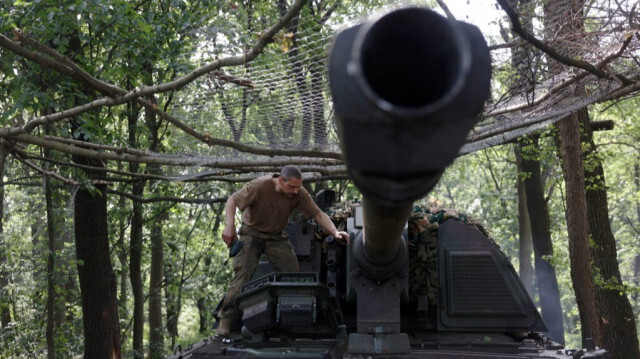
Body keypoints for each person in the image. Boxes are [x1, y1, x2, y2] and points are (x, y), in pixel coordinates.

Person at [216, 165, 350, 337]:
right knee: (243, 274)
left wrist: (335, 232)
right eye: (291, 187)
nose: (295, 191)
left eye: (298, 187)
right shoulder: (259, 186)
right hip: (252, 234)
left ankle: (294, 315)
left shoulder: (299, 193)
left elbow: (318, 214)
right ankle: (225, 318)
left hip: (276, 236)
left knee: (293, 275)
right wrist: (229, 227)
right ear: (280, 180)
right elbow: (232, 201)